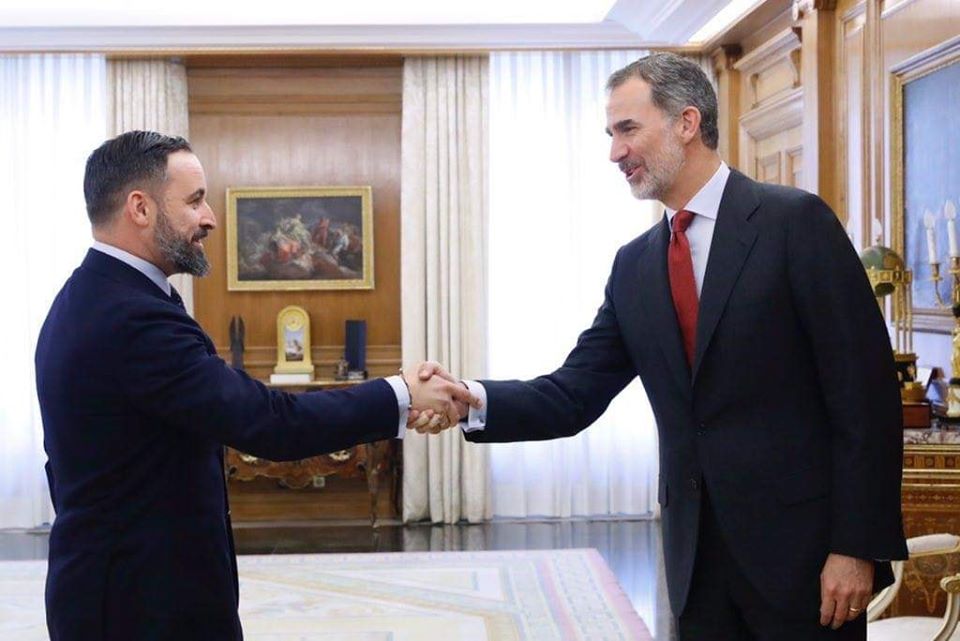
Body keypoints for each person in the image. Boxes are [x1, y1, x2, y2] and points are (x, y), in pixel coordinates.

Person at [418, 52, 907, 640]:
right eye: (610, 134)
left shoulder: (794, 223)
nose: (614, 152)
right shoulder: (635, 266)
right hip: (695, 564)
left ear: (686, 122)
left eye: (627, 129)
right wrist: (470, 398)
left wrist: (855, 546)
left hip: (805, 561)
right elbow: (574, 393)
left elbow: (865, 400)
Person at [35, 130, 477, 641]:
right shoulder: (129, 316)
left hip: (134, 582)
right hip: (139, 602)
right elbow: (271, 424)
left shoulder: (99, 295)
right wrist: (401, 392)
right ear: (140, 208)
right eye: (195, 201)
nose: (210, 218)